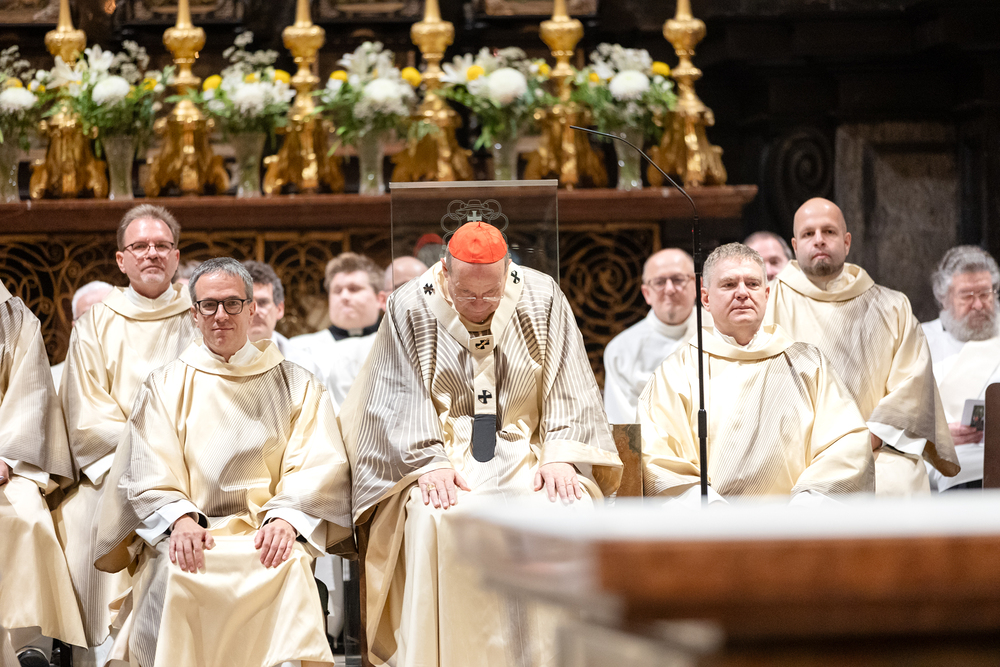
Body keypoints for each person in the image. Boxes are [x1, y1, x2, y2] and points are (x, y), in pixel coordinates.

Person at [341, 221, 622, 667]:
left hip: (526, 445)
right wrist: (426, 460)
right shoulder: (409, 303)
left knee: (568, 510)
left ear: (508, 270)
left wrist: (561, 454)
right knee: (435, 517)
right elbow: (396, 392)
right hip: (445, 448)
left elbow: (568, 378)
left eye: (490, 293)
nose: (479, 304)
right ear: (445, 271)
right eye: (466, 293)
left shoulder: (542, 295)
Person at [94, 258, 353, 667]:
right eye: (209, 305)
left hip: (266, 530)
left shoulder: (297, 383)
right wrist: (179, 520)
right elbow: (148, 468)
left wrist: (286, 519)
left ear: (252, 309)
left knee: (288, 564)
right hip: (191, 530)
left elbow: (317, 463)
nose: (221, 315)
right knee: (177, 567)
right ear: (193, 314)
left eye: (233, 303)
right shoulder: (164, 385)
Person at [57, 204, 195, 665]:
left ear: (176, 256)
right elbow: (86, 414)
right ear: (121, 259)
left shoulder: (201, 316)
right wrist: (147, 457)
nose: (151, 253)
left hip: (189, 471)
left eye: (161, 245)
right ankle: (102, 653)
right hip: (114, 471)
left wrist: (174, 460)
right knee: (84, 521)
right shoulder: (95, 323)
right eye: (139, 246)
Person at [639, 244, 874, 505]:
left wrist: (805, 508)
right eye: (729, 284)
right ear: (705, 298)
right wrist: (712, 511)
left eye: (752, 284)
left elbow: (846, 445)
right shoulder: (675, 373)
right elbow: (658, 458)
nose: (742, 293)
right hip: (711, 525)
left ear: (766, 294)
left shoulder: (809, 364)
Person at [765, 197, 958, 495]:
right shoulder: (765, 305)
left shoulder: (892, 307)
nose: (819, 240)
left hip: (875, 450)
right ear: (795, 245)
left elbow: (912, 387)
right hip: (792, 452)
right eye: (808, 233)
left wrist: (866, 440)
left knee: (897, 484)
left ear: (846, 242)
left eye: (829, 232)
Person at [0, 281, 87, 664]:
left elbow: (28, 392)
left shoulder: (11, 315)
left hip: (1, 455)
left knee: (26, 517)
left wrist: (7, 455)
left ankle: (28, 646)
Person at [922, 246, 1000, 491]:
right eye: (967, 296)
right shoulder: (918, 340)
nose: (978, 305)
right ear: (944, 298)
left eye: (985, 294)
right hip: (947, 461)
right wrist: (935, 435)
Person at [603, 248, 702, 423]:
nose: (670, 289)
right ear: (646, 293)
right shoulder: (621, 350)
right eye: (659, 282)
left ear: (697, 286)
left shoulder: (723, 330)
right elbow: (625, 424)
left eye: (678, 279)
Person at [288, 252, 385, 408]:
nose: (344, 296)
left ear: (380, 299)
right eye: (337, 291)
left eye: (354, 289)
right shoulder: (300, 349)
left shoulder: (394, 345)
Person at [51, 281, 114, 388]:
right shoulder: (52, 380)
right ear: (74, 326)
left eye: (106, 313)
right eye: (87, 316)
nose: (98, 322)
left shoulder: (139, 373)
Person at [242, 260, 292, 356]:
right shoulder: (213, 361)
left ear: (279, 309)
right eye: (247, 303)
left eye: (263, 302)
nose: (255, 311)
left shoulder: (304, 362)